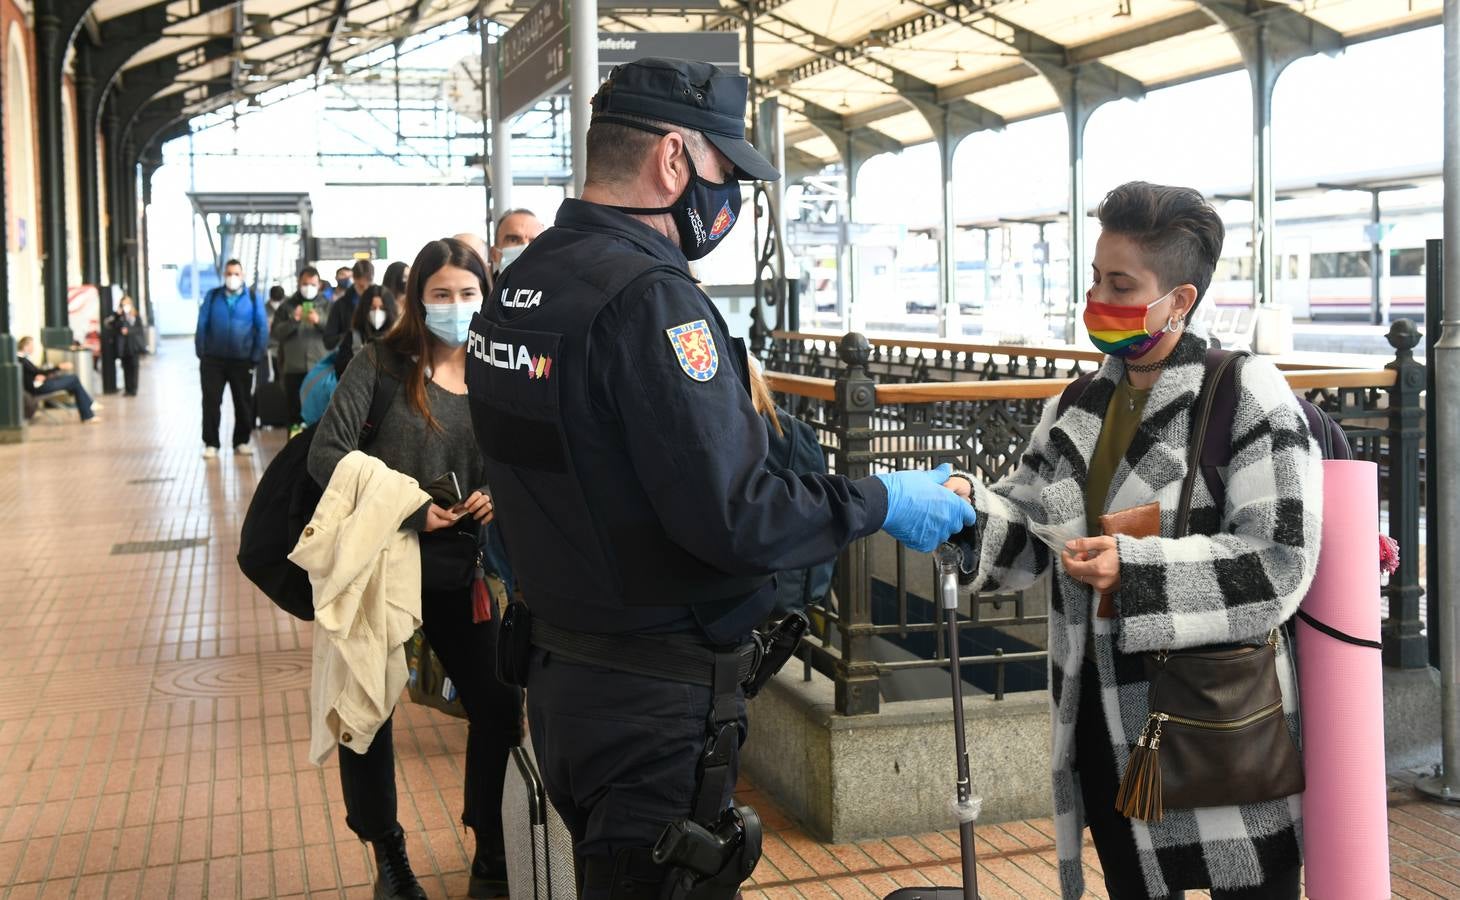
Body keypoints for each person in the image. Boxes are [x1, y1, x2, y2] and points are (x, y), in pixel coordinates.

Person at [465, 57, 974, 899]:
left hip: (564, 685)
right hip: (651, 706)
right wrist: (884, 499)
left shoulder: (523, 286)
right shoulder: (649, 300)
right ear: (673, 159)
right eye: (724, 170)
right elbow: (740, 516)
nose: (730, 193)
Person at [943, 182, 1322, 900]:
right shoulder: (1077, 403)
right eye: (1095, 278)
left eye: (1121, 284)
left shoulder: (1247, 394)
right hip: (1106, 725)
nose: (1098, 298)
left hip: (1218, 728)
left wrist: (1136, 570)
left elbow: (1279, 563)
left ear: (1179, 299)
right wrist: (968, 508)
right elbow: (1028, 535)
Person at [310, 238, 522, 900]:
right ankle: (389, 857)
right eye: (442, 294)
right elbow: (326, 454)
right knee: (367, 712)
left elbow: (519, 461)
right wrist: (408, 509)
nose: (456, 307)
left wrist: (496, 494)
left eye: (468, 294)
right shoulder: (380, 365)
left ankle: (489, 839)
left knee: (497, 703)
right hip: (382, 566)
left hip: (462, 570)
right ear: (417, 298)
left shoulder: (496, 372)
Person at [195, 258, 267, 457]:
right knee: (211, 402)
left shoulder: (253, 298)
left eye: (236, 273)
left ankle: (241, 441)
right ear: (223, 275)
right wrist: (202, 352)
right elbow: (202, 325)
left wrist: (255, 356)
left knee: (243, 402)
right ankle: (211, 443)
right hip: (213, 360)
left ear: (242, 275)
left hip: (242, 361)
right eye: (229, 273)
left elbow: (262, 328)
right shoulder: (213, 296)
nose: (232, 277)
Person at [271, 266, 329, 429]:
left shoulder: (327, 306)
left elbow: (336, 333)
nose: (308, 288)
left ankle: (317, 452)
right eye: (305, 284)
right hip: (293, 370)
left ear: (319, 285)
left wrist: (319, 321)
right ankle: (294, 450)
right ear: (298, 283)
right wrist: (294, 320)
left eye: (312, 284)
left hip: (320, 369)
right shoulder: (286, 306)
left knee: (320, 414)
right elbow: (276, 333)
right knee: (294, 416)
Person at [17, 336, 98, 423]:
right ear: (25, 346)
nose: (33, 348)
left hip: (40, 383)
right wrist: (59, 367)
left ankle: (89, 409)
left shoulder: (23, 359)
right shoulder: (22, 360)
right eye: (32, 345)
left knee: (73, 382)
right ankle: (89, 409)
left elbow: (35, 373)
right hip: (38, 388)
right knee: (74, 380)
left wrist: (39, 376)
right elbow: (36, 373)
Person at [323, 259, 392, 351]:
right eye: (361, 286)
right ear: (354, 280)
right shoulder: (341, 305)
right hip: (349, 357)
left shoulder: (385, 302)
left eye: (369, 286)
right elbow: (329, 341)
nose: (366, 290)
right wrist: (351, 337)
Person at [487, 209, 543, 285]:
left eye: (535, 241)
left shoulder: (559, 293)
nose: (526, 248)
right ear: (494, 254)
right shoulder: (479, 293)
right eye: (513, 240)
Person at [105, 296, 147, 396]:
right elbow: (110, 325)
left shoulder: (135, 316)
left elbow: (140, 330)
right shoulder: (120, 317)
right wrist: (117, 315)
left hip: (133, 346)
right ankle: (127, 389)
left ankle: (133, 389)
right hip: (123, 347)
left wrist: (129, 331)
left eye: (126, 304)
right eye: (123, 305)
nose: (125, 306)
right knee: (126, 368)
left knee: (134, 368)